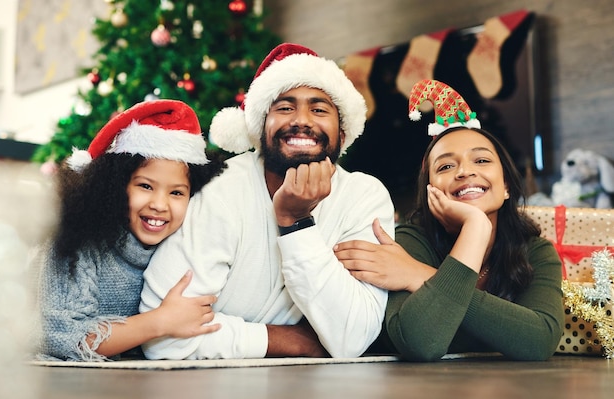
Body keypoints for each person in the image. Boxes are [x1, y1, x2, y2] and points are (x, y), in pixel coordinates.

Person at [140, 43, 395, 360]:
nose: (302, 120)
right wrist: (296, 342)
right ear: (260, 130)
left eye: (319, 110)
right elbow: (162, 336)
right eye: (285, 108)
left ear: (343, 135)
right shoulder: (220, 188)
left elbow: (351, 339)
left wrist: (296, 223)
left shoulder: (363, 197)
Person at [334, 79, 564, 361]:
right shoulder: (408, 242)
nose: (465, 171)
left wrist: (419, 275)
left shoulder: (535, 252)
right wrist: (476, 228)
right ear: (429, 188)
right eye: (445, 166)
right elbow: (421, 343)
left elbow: (538, 342)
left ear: (505, 186)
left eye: (481, 161)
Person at [34, 100, 226, 361]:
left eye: (177, 192)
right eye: (145, 186)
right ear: (115, 185)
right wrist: (160, 321)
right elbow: (61, 336)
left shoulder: (185, 245)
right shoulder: (75, 241)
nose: (159, 205)